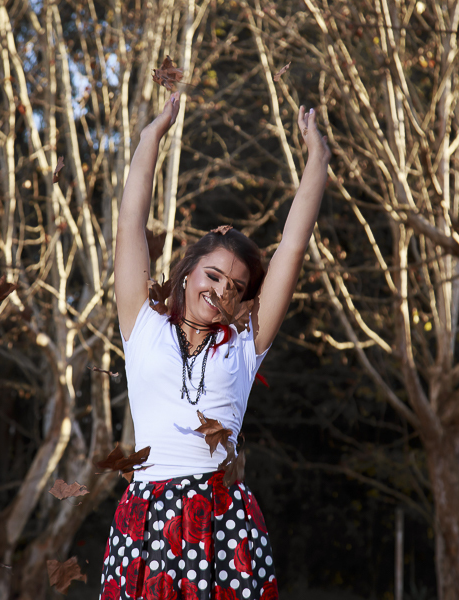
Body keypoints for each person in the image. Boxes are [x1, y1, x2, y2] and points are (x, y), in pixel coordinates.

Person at [100, 91, 330, 600]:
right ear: (186, 275)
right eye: (213, 274)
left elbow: (293, 243)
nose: (221, 289)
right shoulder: (142, 324)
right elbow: (129, 224)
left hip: (222, 519)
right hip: (147, 518)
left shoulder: (246, 344)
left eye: (236, 286)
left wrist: (317, 157)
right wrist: (150, 137)